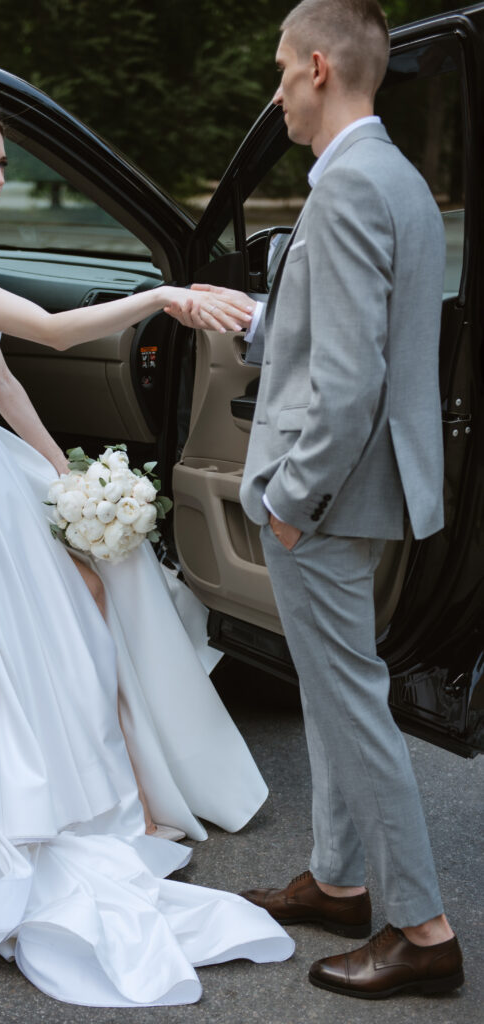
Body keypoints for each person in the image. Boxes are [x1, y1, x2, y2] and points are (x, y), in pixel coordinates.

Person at [0, 96, 294, 1007]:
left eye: (2, 162)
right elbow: (42, 332)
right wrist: (160, 295)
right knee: (37, 642)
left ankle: (135, 789)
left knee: (87, 615)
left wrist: (65, 482)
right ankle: (73, 802)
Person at [177, 0, 464, 1000]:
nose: (274, 90)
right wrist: (257, 321)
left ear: (313, 67)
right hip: (368, 489)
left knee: (350, 709)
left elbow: (347, 383)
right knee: (333, 696)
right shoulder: (395, 181)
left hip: (328, 496)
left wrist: (289, 498)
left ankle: (421, 930)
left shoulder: (346, 189)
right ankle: (340, 883)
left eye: (276, 70)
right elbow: (349, 335)